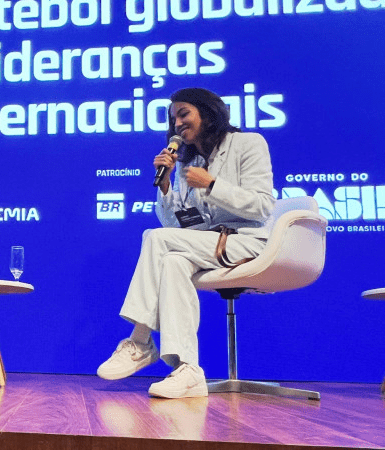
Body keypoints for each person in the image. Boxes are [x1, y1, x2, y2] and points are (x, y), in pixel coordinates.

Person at [96, 88, 275, 398]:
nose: (177, 123)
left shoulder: (249, 144)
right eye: (173, 118)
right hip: (207, 242)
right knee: (172, 261)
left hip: (247, 242)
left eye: (183, 114)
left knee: (154, 238)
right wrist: (165, 186)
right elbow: (174, 225)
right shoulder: (185, 161)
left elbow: (263, 207)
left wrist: (213, 185)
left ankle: (139, 341)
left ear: (207, 112)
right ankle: (187, 368)